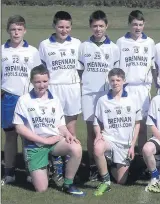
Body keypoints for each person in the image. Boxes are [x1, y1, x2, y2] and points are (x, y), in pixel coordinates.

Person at [13, 65, 85, 196]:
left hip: (54, 142)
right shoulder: (24, 100)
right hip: (35, 145)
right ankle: (49, 165)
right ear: (31, 82)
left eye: (45, 81)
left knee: (76, 147)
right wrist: (43, 140)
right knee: (41, 189)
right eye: (38, 82)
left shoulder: (55, 99)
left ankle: (68, 184)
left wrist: (68, 134)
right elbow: (19, 127)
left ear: (49, 80)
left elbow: (60, 125)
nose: (41, 85)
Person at [38, 11, 82, 182]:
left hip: (71, 89)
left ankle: (70, 167)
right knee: (54, 128)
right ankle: (55, 166)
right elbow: (41, 71)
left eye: (67, 27)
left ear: (71, 27)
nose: (64, 30)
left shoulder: (78, 44)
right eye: (60, 27)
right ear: (54, 26)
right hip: (53, 89)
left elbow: (81, 68)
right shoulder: (44, 45)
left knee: (70, 129)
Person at [78, 10, 120, 181]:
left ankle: (109, 162)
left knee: (107, 129)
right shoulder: (83, 46)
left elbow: (116, 73)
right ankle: (93, 166)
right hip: (89, 94)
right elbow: (80, 72)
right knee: (91, 131)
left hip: (107, 95)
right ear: (90, 26)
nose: (98, 29)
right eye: (95, 26)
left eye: (101, 25)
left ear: (106, 26)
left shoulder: (114, 48)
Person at [1, 15, 41, 185]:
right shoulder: (2, 49)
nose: (16, 33)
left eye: (19, 29)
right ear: (8, 31)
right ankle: (9, 172)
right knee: (10, 136)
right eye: (13, 29)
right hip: (8, 97)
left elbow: (38, 76)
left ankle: (30, 171)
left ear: (24, 30)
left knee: (28, 137)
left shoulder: (32, 51)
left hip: (26, 99)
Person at [92, 68, 141, 196]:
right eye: (112, 80)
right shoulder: (103, 100)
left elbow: (137, 124)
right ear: (109, 81)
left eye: (118, 80)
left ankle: (111, 164)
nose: (115, 83)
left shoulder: (133, 98)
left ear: (124, 81)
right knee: (97, 147)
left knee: (121, 181)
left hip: (125, 144)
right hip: (109, 139)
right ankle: (106, 181)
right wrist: (98, 134)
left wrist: (132, 146)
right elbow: (96, 122)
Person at [116, 10, 156, 151]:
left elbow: (153, 67)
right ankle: (125, 158)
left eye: (140, 24)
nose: (137, 28)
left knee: (143, 127)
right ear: (129, 25)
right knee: (127, 127)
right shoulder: (121, 42)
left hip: (143, 89)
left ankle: (141, 159)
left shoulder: (150, 42)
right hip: (126, 88)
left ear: (144, 25)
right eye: (134, 24)